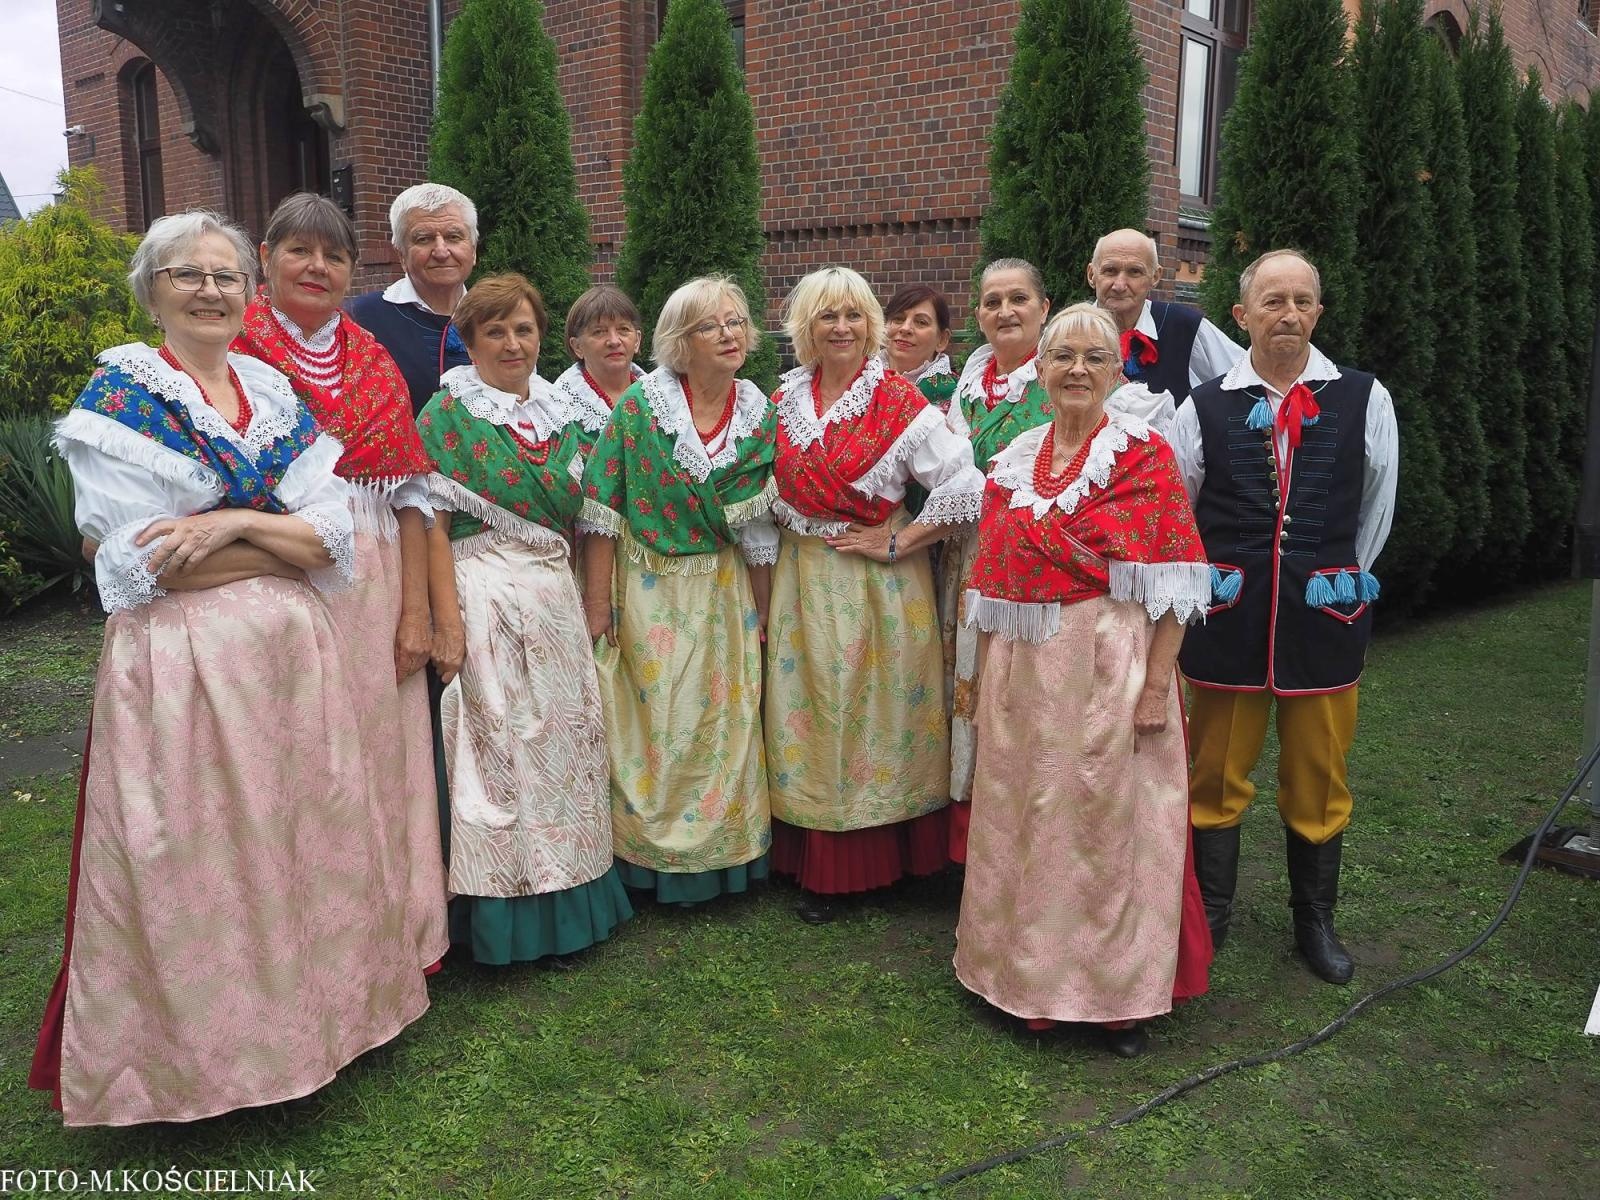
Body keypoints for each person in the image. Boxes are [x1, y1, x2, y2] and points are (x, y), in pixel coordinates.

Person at [29, 210, 428, 1126]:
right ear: (152, 289)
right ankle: (213, 1064)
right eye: (187, 274)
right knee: (203, 864)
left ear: (248, 291)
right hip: (185, 670)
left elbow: (335, 537)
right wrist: (281, 542)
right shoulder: (123, 400)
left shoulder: (270, 391)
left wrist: (237, 523)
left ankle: (320, 1027)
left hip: (292, 662)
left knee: (301, 843)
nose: (209, 290)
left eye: (224, 275)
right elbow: (135, 563)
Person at [953, 303, 1214, 1058]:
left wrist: (1158, 683)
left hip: (1109, 660)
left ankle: (1108, 998)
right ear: (1039, 368)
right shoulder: (1013, 460)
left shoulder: (1142, 456)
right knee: (1021, 817)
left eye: (1093, 358)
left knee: (1104, 828)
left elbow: (1178, 584)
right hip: (1024, 667)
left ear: (1116, 369)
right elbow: (995, 575)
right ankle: (1017, 977)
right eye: (1061, 356)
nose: (1075, 370)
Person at [233, 192, 448, 976]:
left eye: (333, 256)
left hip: (375, 584)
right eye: (299, 250)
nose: (317, 267)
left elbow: (412, 495)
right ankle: (309, 957)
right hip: (277, 577)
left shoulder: (370, 357)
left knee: (378, 760)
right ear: (265, 258)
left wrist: (417, 614)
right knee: (300, 764)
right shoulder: (235, 350)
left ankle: (391, 940)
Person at [1171, 249, 1398, 985]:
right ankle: (1212, 915)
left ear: (1318, 313)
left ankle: (1315, 920)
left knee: (1319, 776)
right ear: (1242, 316)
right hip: (1228, 622)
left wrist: (1337, 580)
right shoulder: (1204, 404)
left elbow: (1376, 510)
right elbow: (1180, 509)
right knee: (1215, 776)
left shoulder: (1365, 397)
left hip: (1324, 623)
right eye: (1273, 301)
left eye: (1302, 300)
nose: (1289, 314)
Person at [417, 273, 632, 964]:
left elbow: (597, 517)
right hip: (481, 594)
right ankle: (504, 917)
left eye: (524, 329)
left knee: (565, 746)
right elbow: (427, 523)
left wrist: (595, 606)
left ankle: (572, 902)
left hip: (554, 595)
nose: (513, 343)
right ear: (470, 342)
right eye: (495, 331)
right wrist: (444, 625)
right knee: (497, 754)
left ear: (542, 336)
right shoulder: (447, 414)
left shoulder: (565, 414)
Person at [765, 266, 984, 924]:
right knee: (807, 716)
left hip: (874, 588)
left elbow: (963, 484)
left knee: (869, 718)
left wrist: (900, 541)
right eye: (827, 315)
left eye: (854, 315)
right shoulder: (783, 399)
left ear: (871, 326)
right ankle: (811, 853)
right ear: (805, 326)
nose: (841, 327)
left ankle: (878, 861)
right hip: (799, 576)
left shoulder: (896, 400)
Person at [579, 276, 777, 906]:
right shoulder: (640, 409)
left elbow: (759, 532)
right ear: (678, 341)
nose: (728, 334)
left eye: (736, 321)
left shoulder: (759, 413)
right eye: (709, 325)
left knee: (724, 717)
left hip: (722, 586)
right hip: (648, 584)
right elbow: (602, 509)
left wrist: (767, 607)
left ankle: (725, 858)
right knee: (656, 718)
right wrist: (597, 604)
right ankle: (651, 859)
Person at [942, 259, 1053, 863]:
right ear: (978, 315)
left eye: (1018, 299)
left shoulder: (1061, 376)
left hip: (1032, 569)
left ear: (1043, 307)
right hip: (967, 560)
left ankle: (1024, 845)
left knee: (1019, 696)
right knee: (969, 690)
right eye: (991, 301)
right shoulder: (971, 379)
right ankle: (969, 848)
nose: (1005, 311)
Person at [347, 183, 478, 414]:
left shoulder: (496, 315)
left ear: (474, 250)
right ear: (401, 255)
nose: (441, 251)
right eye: (424, 239)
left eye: (454, 237)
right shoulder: (361, 319)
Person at [1088, 228, 1242, 408]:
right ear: (1092, 275)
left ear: (1155, 277)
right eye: (1110, 270)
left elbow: (1244, 379)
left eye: (1134, 272)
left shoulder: (1185, 327)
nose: (1120, 285)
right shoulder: (1067, 333)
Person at [555, 284, 645, 413]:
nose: (614, 341)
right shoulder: (558, 407)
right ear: (577, 346)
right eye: (599, 332)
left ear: (637, 340)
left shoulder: (661, 397)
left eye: (623, 329)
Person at [883, 283, 956, 410]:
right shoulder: (861, 379)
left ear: (942, 340)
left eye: (921, 322)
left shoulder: (958, 396)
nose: (905, 328)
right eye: (898, 319)